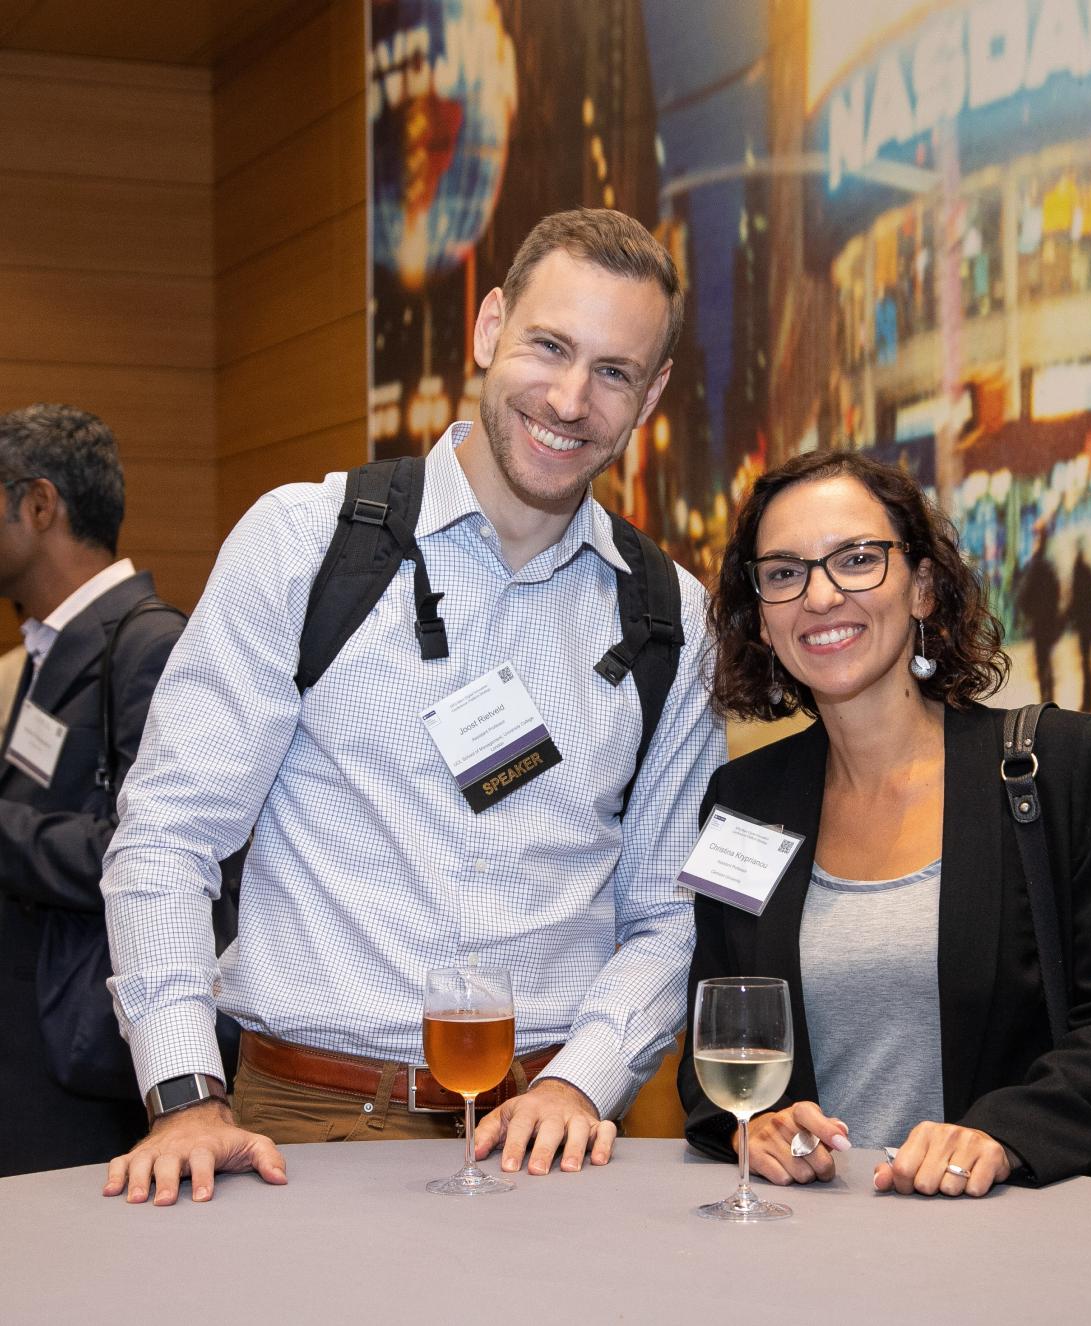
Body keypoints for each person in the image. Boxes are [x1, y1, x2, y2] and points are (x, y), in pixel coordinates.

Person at [102, 209, 723, 1205]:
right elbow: (169, 835)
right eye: (548, 347)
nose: (569, 399)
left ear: (649, 394)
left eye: (612, 372)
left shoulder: (671, 619)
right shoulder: (305, 546)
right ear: (486, 330)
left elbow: (667, 914)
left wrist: (579, 1082)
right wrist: (182, 1091)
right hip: (304, 1128)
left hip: (550, 1143)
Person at [678, 449, 1091, 1197]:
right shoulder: (742, 801)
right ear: (761, 617)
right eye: (783, 572)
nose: (819, 596)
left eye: (855, 560)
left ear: (922, 586)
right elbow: (713, 1040)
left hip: (1001, 1242)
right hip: (804, 1250)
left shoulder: (1060, 765)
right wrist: (755, 1124)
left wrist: (1002, 1135)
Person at [0, 404, 185, 1176]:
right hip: (31, 1040)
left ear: (39, 505)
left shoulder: (148, 645)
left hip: (75, 1054)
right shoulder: (47, 645)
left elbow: (143, 850)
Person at [1016, 524, 1061, 703]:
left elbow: (1025, 595)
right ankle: (1050, 696)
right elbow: (1056, 593)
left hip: (1039, 623)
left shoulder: (1035, 566)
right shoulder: (1050, 567)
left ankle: (1045, 698)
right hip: (1049, 621)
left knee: (1042, 663)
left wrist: (1027, 613)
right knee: (1047, 661)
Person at [1069, 541, 1091, 713]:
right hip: (1088, 623)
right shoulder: (1086, 571)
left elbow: (1078, 599)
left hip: (1084, 624)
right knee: (1087, 663)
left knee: (1086, 663)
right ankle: (1088, 700)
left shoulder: (1079, 572)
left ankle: (1088, 701)